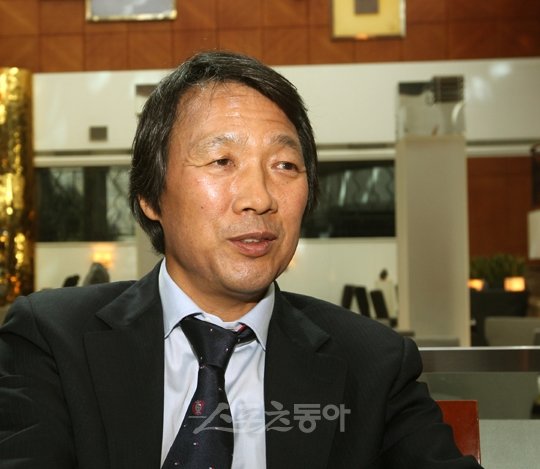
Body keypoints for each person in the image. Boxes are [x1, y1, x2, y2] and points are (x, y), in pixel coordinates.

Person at [0, 51, 482, 468]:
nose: (259, 198)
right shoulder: (52, 341)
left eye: (285, 166)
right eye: (221, 161)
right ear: (150, 195)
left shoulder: (374, 364)